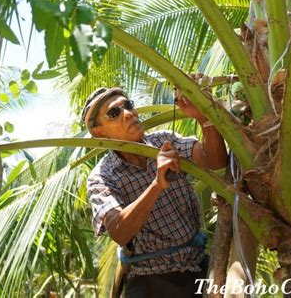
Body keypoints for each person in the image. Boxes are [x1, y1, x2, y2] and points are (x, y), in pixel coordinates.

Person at [82, 83, 227, 297]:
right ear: (98, 132)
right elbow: (120, 232)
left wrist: (203, 116)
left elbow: (215, 159)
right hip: (151, 283)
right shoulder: (102, 177)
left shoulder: (163, 141)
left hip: (199, 268)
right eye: (114, 112)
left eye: (128, 105)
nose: (129, 114)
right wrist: (157, 185)